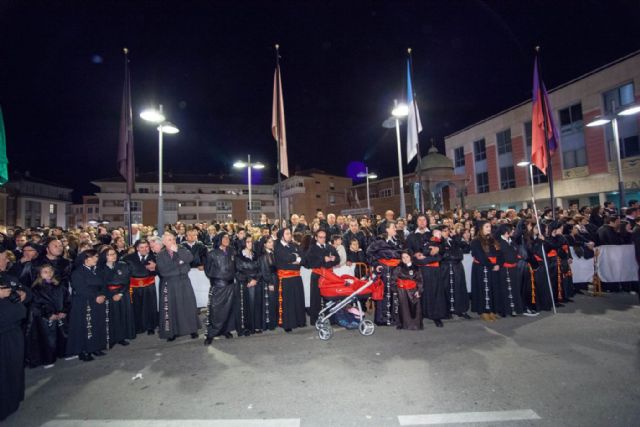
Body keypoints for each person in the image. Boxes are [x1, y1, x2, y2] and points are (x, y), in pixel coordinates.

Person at [156, 233, 201, 342]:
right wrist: (180, 264)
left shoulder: (181, 249)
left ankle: (192, 330)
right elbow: (163, 271)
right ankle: (172, 332)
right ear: (164, 243)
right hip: (170, 284)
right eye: (169, 240)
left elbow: (189, 259)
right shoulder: (161, 255)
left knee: (188, 306)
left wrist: (178, 252)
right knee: (171, 308)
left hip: (184, 282)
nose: (172, 241)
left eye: (173, 239)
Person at [66, 249, 107, 362]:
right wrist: (96, 296)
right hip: (83, 303)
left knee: (96, 324)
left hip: (97, 302)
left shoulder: (97, 270)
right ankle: (83, 350)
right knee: (84, 326)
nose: (96, 259)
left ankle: (95, 347)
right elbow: (80, 289)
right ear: (85, 259)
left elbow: (103, 284)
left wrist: (103, 294)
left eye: (96, 257)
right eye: (93, 257)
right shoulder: (78, 272)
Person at [26, 264, 69, 368]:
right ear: (39, 274)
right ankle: (48, 358)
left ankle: (64, 352)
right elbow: (36, 305)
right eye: (45, 272)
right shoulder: (36, 289)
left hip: (60, 314)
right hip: (45, 317)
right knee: (49, 338)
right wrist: (48, 314)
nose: (49, 274)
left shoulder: (59, 286)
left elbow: (67, 299)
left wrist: (64, 310)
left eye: (50, 271)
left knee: (63, 334)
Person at [0, 274, 28, 421]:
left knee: (13, 366)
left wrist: (23, 294)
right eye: (2, 257)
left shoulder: (7, 277)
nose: (6, 261)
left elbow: (27, 291)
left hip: (13, 327)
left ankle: (11, 400)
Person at [97, 248, 135, 348]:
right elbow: (101, 284)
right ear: (105, 256)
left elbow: (127, 281)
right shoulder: (100, 268)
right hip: (109, 295)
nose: (113, 256)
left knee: (122, 315)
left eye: (114, 254)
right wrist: (109, 294)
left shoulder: (122, 265)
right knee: (112, 317)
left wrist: (120, 293)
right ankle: (112, 338)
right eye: (110, 254)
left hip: (122, 293)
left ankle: (122, 337)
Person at [367, 221, 402, 326]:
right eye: (393, 227)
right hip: (384, 271)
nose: (395, 229)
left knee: (394, 292)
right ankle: (382, 318)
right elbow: (369, 253)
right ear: (387, 229)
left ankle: (394, 317)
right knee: (383, 293)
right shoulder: (378, 242)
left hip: (395, 270)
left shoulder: (397, 241)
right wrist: (376, 264)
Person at [204, 232, 236, 344]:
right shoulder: (212, 253)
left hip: (231, 285)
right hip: (218, 286)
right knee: (215, 310)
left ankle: (225, 330)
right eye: (224, 238)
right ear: (219, 240)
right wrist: (216, 280)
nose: (227, 239)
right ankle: (211, 334)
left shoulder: (232, 251)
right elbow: (207, 270)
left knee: (228, 309)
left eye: (228, 237)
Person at [122, 239, 158, 335]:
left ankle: (150, 326)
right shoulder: (128, 258)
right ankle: (138, 326)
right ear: (137, 248)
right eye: (141, 247)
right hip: (134, 287)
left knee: (150, 306)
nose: (144, 249)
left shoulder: (154, 257)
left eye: (146, 247)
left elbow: (160, 271)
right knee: (136, 307)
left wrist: (156, 268)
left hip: (149, 286)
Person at [303, 230, 339, 325]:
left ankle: (331, 319)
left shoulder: (330, 247)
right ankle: (315, 320)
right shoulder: (312, 248)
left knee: (330, 297)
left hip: (329, 276)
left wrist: (334, 259)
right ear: (316, 238)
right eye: (320, 237)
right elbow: (310, 263)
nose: (323, 239)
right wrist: (323, 259)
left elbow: (338, 259)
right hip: (317, 275)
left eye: (324, 237)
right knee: (315, 298)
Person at [274, 228, 306, 331]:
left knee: (297, 300)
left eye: (290, 233)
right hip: (286, 279)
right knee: (288, 303)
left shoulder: (293, 245)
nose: (289, 235)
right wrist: (295, 257)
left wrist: (295, 258)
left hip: (296, 277)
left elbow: (302, 257)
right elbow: (285, 259)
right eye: (287, 234)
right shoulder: (278, 247)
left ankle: (299, 321)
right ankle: (288, 324)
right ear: (282, 236)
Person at [414, 227, 447, 327]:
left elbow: (441, 255)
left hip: (435, 271)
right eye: (437, 232)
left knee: (436, 292)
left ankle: (436, 316)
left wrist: (432, 254)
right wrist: (428, 255)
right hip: (424, 270)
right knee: (423, 291)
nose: (438, 235)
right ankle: (422, 314)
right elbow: (421, 252)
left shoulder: (442, 244)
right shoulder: (425, 239)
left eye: (440, 233)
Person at [470, 221, 500, 321]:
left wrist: (497, 264)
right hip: (481, 268)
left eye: (490, 226)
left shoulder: (492, 240)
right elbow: (480, 256)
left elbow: (498, 253)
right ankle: (483, 311)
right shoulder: (475, 241)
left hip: (491, 267)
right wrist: (492, 265)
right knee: (482, 289)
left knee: (491, 288)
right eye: (487, 226)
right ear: (481, 228)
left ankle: (491, 310)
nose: (489, 228)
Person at [440, 224, 470, 319]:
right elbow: (443, 254)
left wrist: (455, 236)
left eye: (447, 230)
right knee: (446, 288)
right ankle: (447, 310)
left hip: (457, 267)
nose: (446, 232)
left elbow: (466, 247)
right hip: (445, 268)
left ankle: (460, 309)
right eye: (444, 231)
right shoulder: (438, 242)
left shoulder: (453, 240)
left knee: (459, 287)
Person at [234, 235, 262, 336]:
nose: (250, 243)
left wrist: (256, 280)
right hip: (245, 284)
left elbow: (260, 269)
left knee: (256, 304)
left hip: (256, 283)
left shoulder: (255, 254)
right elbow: (238, 271)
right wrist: (249, 280)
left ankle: (256, 326)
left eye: (251, 242)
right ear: (243, 244)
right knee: (247, 306)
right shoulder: (239, 256)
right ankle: (247, 327)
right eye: (248, 242)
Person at [496, 224, 524, 317]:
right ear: (506, 231)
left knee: (515, 288)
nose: (513, 231)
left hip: (514, 268)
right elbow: (503, 256)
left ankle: (515, 308)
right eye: (511, 230)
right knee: (506, 289)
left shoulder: (512, 241)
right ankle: (506, 309)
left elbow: (516, 252)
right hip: (505, 269)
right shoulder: (499, 242)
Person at [392, 251, 423, 330]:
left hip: (413, 290)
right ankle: (402, 324)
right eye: (403, 257)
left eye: (407, 257)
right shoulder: (398, 268)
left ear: (410, 257)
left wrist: (419, 290)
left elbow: (420, 280)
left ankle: (415, 324)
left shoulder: (416, 267)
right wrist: (396, 290)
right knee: (402, 308)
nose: (405, 259)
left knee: (414, 308)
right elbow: (393, 280)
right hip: (402, 290)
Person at [258, 237, 278, 331]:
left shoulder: (272, 253)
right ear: (264, 244)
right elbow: (264, 271)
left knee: (274, 302)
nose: (271, 244)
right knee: (269, 302)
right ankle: (269, 324)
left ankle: (274, 322)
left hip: (274, 279)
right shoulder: (264, 256)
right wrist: (270, 283)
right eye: (269, 242)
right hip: (269, 280)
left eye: (272, 242)